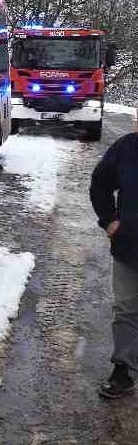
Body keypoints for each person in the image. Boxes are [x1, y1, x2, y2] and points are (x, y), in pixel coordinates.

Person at [90, 104, 138, 399]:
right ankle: (124, 369)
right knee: (127, 309)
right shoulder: (127, 148)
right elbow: (100, 184)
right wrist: (110, 221)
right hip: (130, 246)